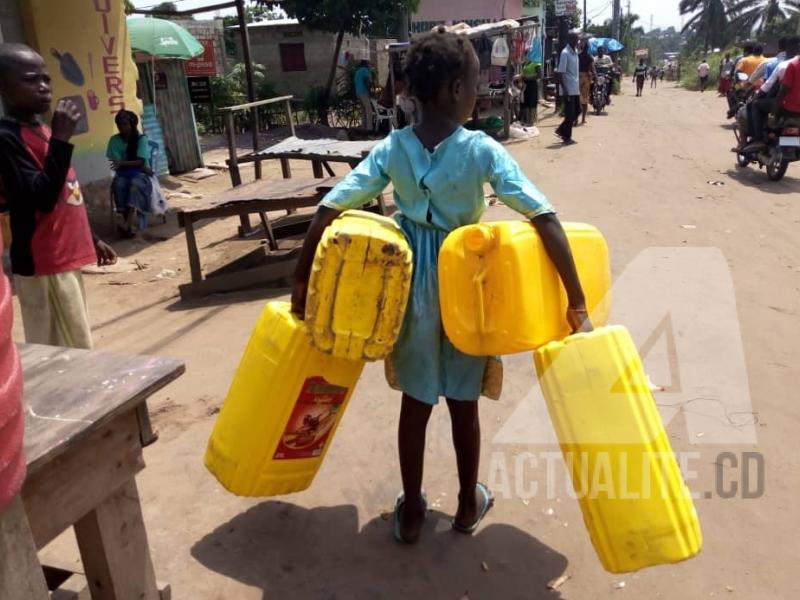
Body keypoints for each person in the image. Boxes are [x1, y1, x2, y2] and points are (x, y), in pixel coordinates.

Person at [290, 29, 592, 544]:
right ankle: (465, 506)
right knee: (463, 405)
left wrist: (302, 283)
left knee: (416, 403)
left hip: (408, 289)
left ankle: (410, 515)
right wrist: (577, 301)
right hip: (469, 289)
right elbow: (544, 217)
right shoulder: (481, 151)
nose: (477, 94)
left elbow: (330, 207)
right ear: (456, 89)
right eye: (475, 85)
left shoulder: (395, 147)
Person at [0, 43, 116, 349]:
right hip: (43, 260)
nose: (42, 86)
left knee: (77, 340)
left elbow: (68, 189)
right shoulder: (7, 138)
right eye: (30, 79)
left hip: (65, 258)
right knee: (56, 349)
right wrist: (63, 139)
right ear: (3, 87)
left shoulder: (45, 130)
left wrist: (92, 236)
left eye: (46, 79)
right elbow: (41, 197)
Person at [742, 36, 800, 153]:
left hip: (787, 107)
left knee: (756, 105)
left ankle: (758, 139)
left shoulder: (789, 65)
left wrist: (774, 111)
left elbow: (778, 88)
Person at [106, 110, 152, 238]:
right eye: (119, 125)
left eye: (125, 124)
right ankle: (128, 224)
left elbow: (141, 162)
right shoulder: (114, 140)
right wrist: (130, 164)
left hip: (140, 175)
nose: (122, 127)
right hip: (124, 174)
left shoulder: (141, 139)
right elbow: (117, 163)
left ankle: (127, 223)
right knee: (119, 184)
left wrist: (123, 163)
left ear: (132, 124)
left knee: (135, 184)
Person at [555, 31, 581, 144]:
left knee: (578, 111)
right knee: (570, 114)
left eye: (577, 39)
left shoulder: (575, 52)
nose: (577, 41)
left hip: (575, 88)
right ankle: (567, 137)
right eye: (575, 39)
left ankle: (561, 130)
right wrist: (564, 90)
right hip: (568, 89)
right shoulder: (565, 53)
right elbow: (560, 73)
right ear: (570, 40)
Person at [578, 41, 595, 125]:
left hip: (577, 77)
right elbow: (592, 68)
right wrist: (595, 76)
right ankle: (583, 119)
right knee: (585, 99)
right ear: (588, 49)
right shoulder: (589, 57)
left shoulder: (577, 56)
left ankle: (575, 119)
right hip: (586, 77)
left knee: (577, 99)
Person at [354, 59, 373, 130]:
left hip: (358, 92)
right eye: (368, 64)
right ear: (365, 64)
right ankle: (369, 128)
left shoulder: (357, 71)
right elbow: (366, 81)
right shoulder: (365, 70)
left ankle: (364, 127)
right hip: (364, 92)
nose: (369, 65)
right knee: (369, 110)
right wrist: (370, 91)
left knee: (363, 111)